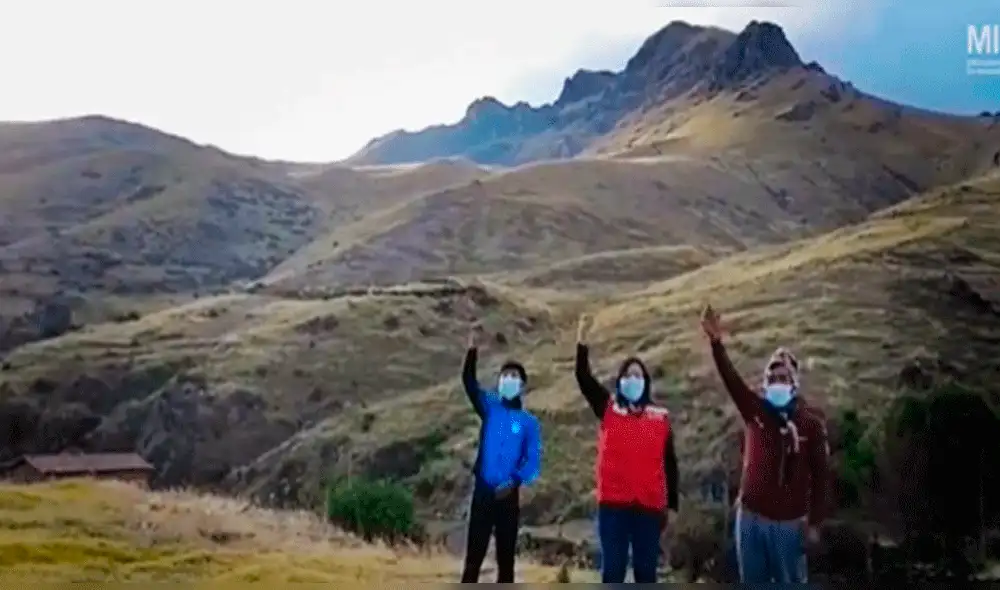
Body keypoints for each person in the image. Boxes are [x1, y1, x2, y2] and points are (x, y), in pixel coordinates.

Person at [700, 303, 831, 583]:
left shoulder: (811, 424)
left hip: (789, 524)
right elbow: (730, 378)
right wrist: (716, 343)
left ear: (794, 384)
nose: (777, 382)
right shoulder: (755, 410)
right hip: (750, 519)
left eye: (783, 377)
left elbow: (822, 477)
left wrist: (815, 523)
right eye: (772, 377)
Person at [574, 314, 679, 583]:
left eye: (638, 375)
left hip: (649, 507)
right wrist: (582, 342)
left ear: (646, 382)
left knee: (646, 572)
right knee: (613, 571)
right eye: (628, 375)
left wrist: (673, 506)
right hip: (613, 506)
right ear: (620, 381)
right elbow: (584, 378)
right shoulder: (609, 409)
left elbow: (670, 464)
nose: (633, 380)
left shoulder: (660, 418)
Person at [459, 323, 542, 583]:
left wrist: (515, 481)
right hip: (483, 491)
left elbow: (532, 461)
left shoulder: (528, 422)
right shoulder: (490, 407)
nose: (509, 379)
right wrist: (472, 351)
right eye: (505, 375)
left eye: (514, 376)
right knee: (473, 559)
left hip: (508, 496)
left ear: (522, 385)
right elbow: (469, 383)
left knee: (506, 562)